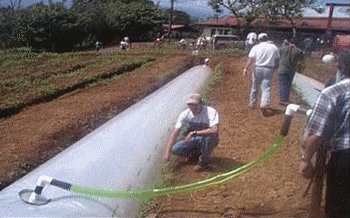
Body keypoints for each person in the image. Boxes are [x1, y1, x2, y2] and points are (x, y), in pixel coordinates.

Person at [300, 49, 350, 218]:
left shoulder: (333, 92)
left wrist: (306, 160)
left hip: (344, 156)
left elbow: (315, 134)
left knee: (339, 207)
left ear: (340, 67)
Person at [163, 93, 219, 171]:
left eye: (195, 104)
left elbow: (214, 130)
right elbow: (175, 133)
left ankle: (203, 162)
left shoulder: (210, 111)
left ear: (201, 104)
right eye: (190, 104)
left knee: (210, 137)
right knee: (176, 149)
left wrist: (194, 133)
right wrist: (167, 153)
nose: (192, 107)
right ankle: (195, 155)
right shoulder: (185, 114)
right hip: (194, 139)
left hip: (207, 139)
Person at [243, 33, 280, 115]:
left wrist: (246, 68)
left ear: (259, 39)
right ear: (267, 38)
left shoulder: (256, 47)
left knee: (255, 86)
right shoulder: (274, 47)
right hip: (268, 69)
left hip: (257, 68)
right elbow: (277, 60)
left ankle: (252, 104)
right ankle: (264, 104)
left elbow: (251, 59)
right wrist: (275, 69)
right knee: (266, 88)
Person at [277, 39, 304, 105]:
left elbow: (278, 54)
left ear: (289, 42)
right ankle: (285, 98)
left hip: (282, 69)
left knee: (282, 84)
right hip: (291, 70)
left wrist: (284, 44)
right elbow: (301, 61)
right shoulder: (299, 51)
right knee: (288, 85)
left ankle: (283, 99)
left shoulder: (282, 49)